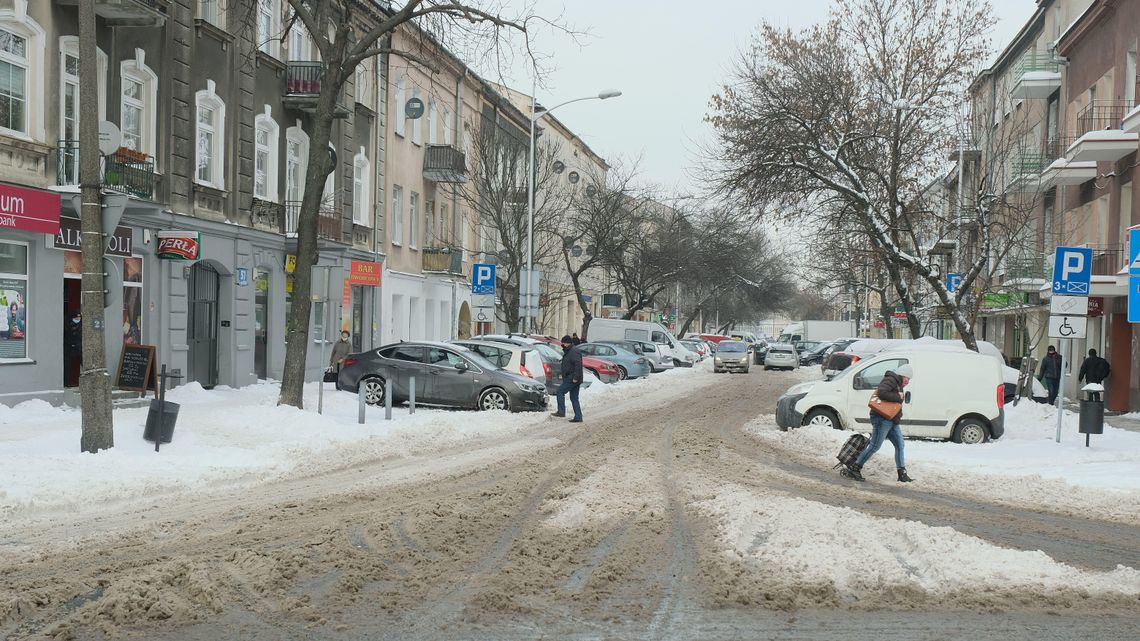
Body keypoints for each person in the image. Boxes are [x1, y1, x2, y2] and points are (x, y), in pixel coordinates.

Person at [845, 364, 914, 483]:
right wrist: (898, 396)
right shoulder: (891, 380)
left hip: (892, 420)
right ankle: (855, 468)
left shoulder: (898, 384)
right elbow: (882, 392)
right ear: (902, 375)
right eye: (907, 379)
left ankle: (902, 473)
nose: (908, 382)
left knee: (900, 445)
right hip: (882, 419)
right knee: (875, 446)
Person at [552, 335, 583, 423]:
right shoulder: (570, 350)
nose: (562, 345)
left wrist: (575, 377)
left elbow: (578, 365)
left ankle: (561, 412)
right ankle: (578, 417)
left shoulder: (573, 351)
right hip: (572, 377)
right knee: (574, 398)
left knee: (560, 391)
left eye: (563, 343)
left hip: (572, 378)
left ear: (567, 343)